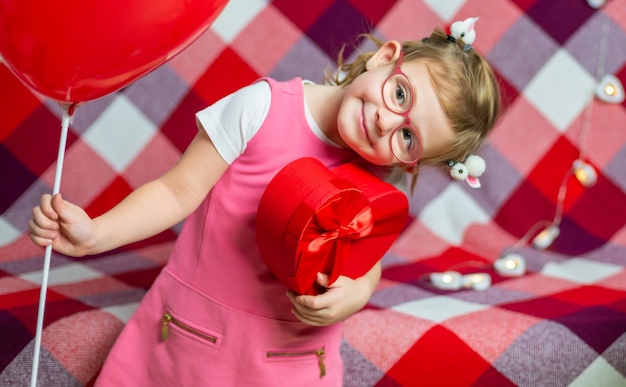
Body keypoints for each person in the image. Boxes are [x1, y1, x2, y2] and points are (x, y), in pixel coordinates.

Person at [29, 25, 500, 386]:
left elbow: (364, 262)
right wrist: (98, 234)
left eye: (408, 137)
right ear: (384, 57)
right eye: (400, 95)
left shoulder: (377, 177)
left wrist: (354, 295)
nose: (385, 123)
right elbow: (176, 192)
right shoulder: (262, 108)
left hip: (292, 360)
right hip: (195, 340)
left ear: (413, 163)